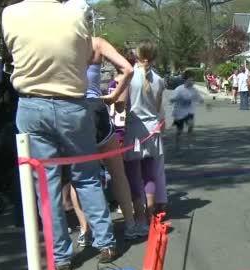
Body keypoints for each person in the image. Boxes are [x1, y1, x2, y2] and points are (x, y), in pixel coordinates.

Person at [2, 0, 118, 270]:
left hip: (31, 104)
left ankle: (61, 256)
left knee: (46, 183)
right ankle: (105, 241)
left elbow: (13, 52)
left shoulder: (10, 14)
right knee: (87, 176)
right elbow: (84, 55)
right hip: (72, 104)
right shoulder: (75, 15)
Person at [63, 0, 137, 245]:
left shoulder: (59, 45)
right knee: (117, 171)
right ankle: (130, 224)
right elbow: (128, 69)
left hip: (72, 110)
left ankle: (86, 229)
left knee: (79, 177)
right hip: (97, 109)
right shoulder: (96, 43)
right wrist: (114, 96)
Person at [123, 40, 166, 230]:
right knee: (150, 174)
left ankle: (140, 218)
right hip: (153, 129)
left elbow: (123, 105)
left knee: (133, 174)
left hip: (134, 128)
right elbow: (158, 108)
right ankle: (151, 213)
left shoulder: (130, 77)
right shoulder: (159, 80)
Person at [171, 70, 204, 148]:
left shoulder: (194, 90)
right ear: (185, 80)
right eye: (191, 80)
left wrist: (202, 101)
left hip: (189, 112)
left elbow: (199, 98)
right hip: (179, 113)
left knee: (191, 125)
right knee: (180, 130)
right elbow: (172, 99)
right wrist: (175, 99)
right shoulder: (179, 89)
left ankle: (189, 142)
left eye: (193, 80)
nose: (192, 82)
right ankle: (177, 142)